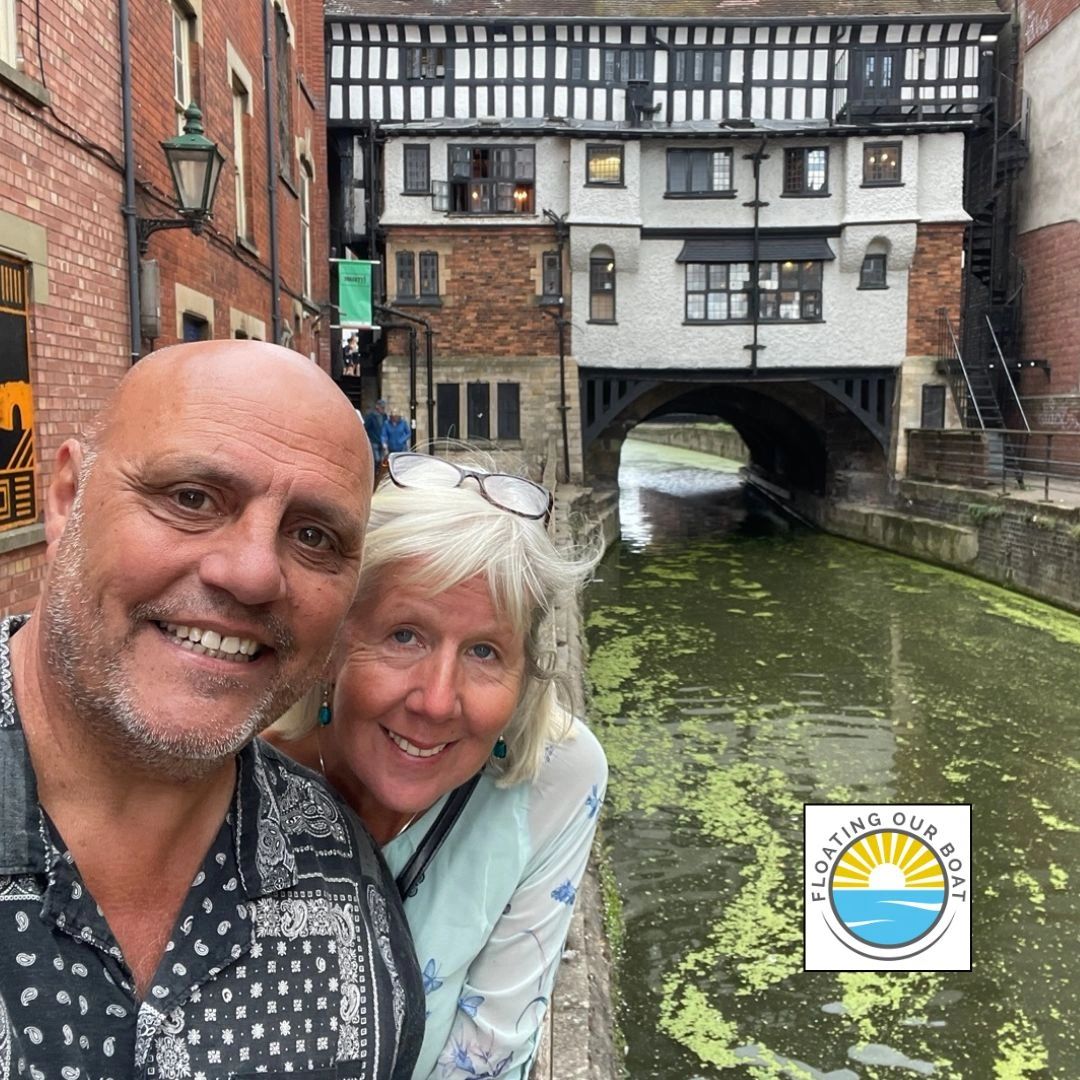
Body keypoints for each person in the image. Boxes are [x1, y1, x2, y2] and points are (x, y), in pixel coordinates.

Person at [0, 341, 424, 1079]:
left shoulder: (345, 890)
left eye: (314, 537)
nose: (255, 571)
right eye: (191, 498)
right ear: (66, 499)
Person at [267, 451, 607, 1080]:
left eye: (484, 650)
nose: (436, 699)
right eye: (405, 636)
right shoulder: (233, 762)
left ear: (527, 675)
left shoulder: (556, 775)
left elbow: (489, 1051)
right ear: (337, 639)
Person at [365, 397, 389, 476]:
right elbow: (366, 427)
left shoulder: (385, 416)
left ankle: (379, 474)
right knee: (377, 459)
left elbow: (386, 428)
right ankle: (375, 474)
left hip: (382, 441)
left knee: (382, 460)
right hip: (374, 440)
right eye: (381, 407)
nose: (382, 409)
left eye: (383, 407)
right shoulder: (371, 416)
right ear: (377, 407)